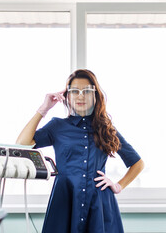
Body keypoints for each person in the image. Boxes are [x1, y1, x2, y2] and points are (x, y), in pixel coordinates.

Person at [16, 69, 144, 233]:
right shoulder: (57, 127)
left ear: (95, 95)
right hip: (64, 200)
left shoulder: (106, 128)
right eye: (75, 91)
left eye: (87, 91)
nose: (81, 96)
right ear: (67, 96)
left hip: (99, 204)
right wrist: (44, 109)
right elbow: (22, 143)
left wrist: (118, 186)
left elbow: (137, 163)